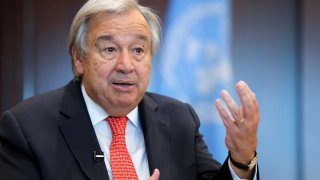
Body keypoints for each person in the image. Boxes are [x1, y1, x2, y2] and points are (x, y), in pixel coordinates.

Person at [0, 0, 260, 179]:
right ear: (79, 58)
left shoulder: (179, 119)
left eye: (138, 50)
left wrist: (241, 159)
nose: (126, 65)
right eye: (110, 49)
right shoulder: (26, 128)